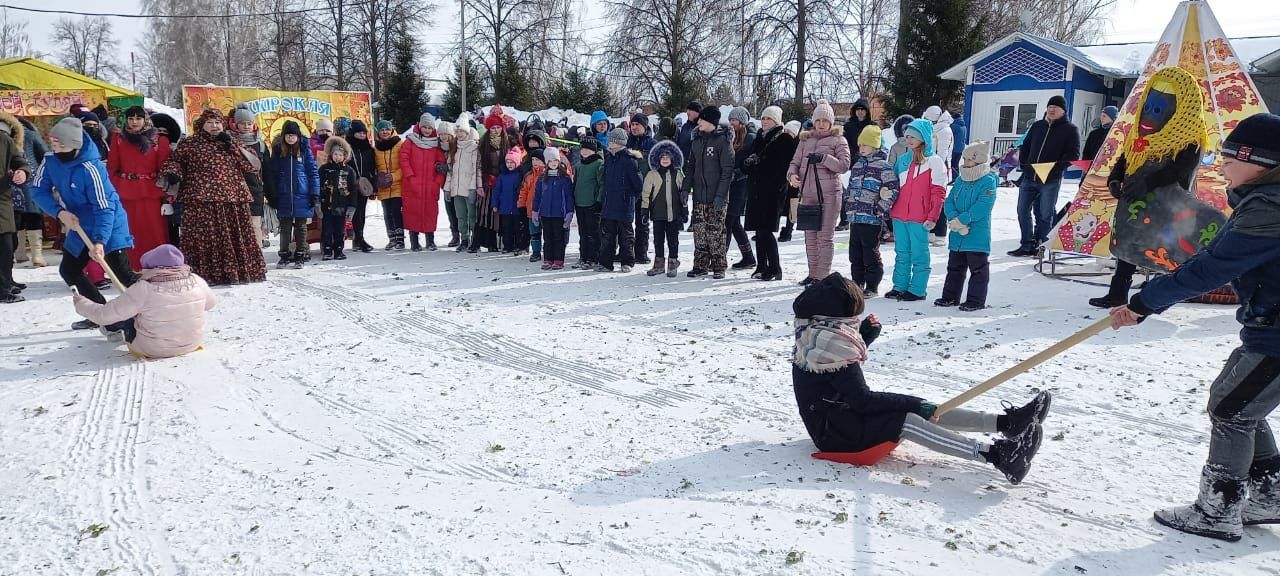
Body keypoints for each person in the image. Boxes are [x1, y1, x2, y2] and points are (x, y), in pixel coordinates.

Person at [1108, 112, 1280, 542]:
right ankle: (1269, 495)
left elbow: (1211, 268)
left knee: (1232, 410)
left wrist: (1145, 302)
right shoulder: (1265, 201)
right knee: (1234, 400)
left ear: (1258, 160)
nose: (1221, 167)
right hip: (1267, 325)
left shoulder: (1269, 209)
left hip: (1277, 332)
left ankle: (1217, 510)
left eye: (1229, 159)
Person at [792, 273, 1050, 484]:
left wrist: (865, 339)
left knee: (921, 409)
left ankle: (1008, 423)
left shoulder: (817, 333)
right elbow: (862, 400)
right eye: (852, 316)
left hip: (841, 416)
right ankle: (997, 456)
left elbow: (838, 380)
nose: (855, 322)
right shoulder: (831, 344)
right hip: (835, 433)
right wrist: (915, 405)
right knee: (909, 419)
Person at [31, 117, 135, 323]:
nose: (53, 147)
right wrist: (59, 212)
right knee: (69, 270)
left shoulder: (91, 167)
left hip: (109, 224)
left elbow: (105, 207)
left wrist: (99, 242)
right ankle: (102, 315)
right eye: (52, 142)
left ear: (73, 145)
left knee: (122, 275)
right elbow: (37, 190)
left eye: (58, 143)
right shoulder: (50, 159)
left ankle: (151, 312)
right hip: (77, 223)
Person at [159, 109, 265, 284]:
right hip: (200, 199)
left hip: (231, 198)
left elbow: (252, 166)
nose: (214, 126)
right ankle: (206, 275)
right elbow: (174, 161)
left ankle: (236, 273)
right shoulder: (190, 143)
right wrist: (173, 173)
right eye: (210, 122)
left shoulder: (233, 142)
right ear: (202, 125)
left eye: (217, 122)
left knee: (232, 236)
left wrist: (232, 145)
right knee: (205, 238)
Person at [72, 244, 217, 358]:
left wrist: (81, 303)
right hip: (192, 343)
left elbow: (103, 315)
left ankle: (115, 330)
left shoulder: (143, 289)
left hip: (153, 349)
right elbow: (211, 303)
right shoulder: (197, 281)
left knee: (126, 313)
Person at [787, 99, 851, 286]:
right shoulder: (805, 140)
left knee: (824, 237)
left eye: (825, 121)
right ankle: (812, 273)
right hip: (808, 194)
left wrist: (824, 158)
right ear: (813, 122)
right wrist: (791, 175)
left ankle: (822, 276)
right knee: (810, 238)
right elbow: (795, 163)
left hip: (830, 194)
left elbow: (844, 165)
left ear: (831, 123)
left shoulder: (839, 139)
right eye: (818, 120)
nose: (821, 124)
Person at [1010, 95, 1080, 257]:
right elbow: (1025, 146)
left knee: (1045, 214)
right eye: (1050, 107)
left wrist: (1055, 170)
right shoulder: (1037, 126)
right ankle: (1027, 245)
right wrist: (1024, 164)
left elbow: (1073, 155)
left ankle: (1042, 245)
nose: (1052, 109)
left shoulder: (1070, 130)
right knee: (1022, 211)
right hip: (1029, 177)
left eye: (1056, 107)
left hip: (1051, 179)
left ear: (1063, 111)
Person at [886, 118, 947, 301]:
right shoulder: (904, 160)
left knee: (919, 253)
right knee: (902, 252)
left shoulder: (934, 162)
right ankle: (900, 286)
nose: (909, 140)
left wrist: (933, 216)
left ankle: (918, 289)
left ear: (924, 137)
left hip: (920, 217)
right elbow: (893, 184)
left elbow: (938, 192)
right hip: (899, 215)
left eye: (913, 136)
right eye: (907, 136)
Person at [936, 141, 998, 311]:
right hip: (957, 232)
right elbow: (949, 201)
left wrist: (964, 219)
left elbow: (984, 205)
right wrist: (953, 218)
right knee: (954, 267)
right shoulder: (961, 180)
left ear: (978, 160)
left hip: (976, 234)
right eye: (964, 159)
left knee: (978, 269)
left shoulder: (988, 181)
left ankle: (976, 300)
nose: (964, 163)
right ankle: (950, 296)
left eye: (968, 159)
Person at [108, 106, 172, 270]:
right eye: (130, 118)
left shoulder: (159, 140)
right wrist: (114, 190)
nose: (134, 122)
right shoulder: (119, 138)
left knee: (154, 231)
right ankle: (131, 268)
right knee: (128, 231)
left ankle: (158, 266)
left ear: (145, 120)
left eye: (138, 118)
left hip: (151, 192)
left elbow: (164, 170)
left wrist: (167, 198)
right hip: (125, 192)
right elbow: (112, 167)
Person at [744, 106, 796, 282]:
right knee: (759, 230)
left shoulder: (784, 139)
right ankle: (761, 265)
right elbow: (748, 161)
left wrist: (762, 166)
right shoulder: (759, 137)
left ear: (776, 121)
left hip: (773, 191)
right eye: (763, 118)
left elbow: (785, 167)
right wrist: (749, 163)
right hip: (756, 189)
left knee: (766, 230)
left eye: (769, 118)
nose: (765, 121)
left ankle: (775, 267)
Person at [844, 125, 896, 298]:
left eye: (865, 145)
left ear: (875, 145)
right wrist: (848, 203)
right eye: (860, 145)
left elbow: (892, 189)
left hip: (872, 218)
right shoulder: (857, 166)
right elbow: (851, 187)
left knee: (870, 253)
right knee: (855, 253)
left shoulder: (884, 167)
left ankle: (872, 285)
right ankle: (857, 282)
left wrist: (880, 208)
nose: (862, 148)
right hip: (856, 217)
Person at [685, 105, 735, 279]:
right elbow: (690, 167)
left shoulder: (722, 141)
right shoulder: (696, 141)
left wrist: (721, 195)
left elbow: (727, 171)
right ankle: (700, 265)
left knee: (715, 232)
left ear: (710, 121)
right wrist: (685, 189)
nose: (698, 122)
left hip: (717, 196)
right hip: (699, 195)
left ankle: (719, 266)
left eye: (702, 120)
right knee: (699, 231)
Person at [266, 120, 320, 269]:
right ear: (283, 136)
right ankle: (284, 254)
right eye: (288, 135)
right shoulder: (278, 152)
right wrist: (272, 195)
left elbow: (313, 173)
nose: (290, 138)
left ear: (298, 136)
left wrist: (314, 193)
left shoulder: (304, 150)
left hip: (302, 195)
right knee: (285, 227)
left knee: (301, 227)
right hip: (283, 196)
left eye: (293, 135)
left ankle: (300, 254)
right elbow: (272, 174)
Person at [400, 113, 447, 251]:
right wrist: (410, 176)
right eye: (424, 127)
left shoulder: (436, 144)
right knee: (412, 212)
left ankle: (430, 240)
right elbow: (404, 159)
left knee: (430, 213)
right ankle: (414, 240)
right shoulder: (410, 141)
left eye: (429, 127)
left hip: (430, 185)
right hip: (413, 183)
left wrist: (437, 182)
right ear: (419, 126)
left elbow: (441, 163)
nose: (427, 130)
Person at [598, 128, 642, 273]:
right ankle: (606, 263)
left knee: (626, 236)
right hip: (609, 204)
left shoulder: (629, 161)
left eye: (612, 140)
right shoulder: (609, 159)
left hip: (624, 206)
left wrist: (629, 200)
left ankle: (627, 261)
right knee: (608, 235)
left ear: (619, 143)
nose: (609, 142)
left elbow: (638, 185)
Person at [230, 106, 273, 250]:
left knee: (255, 225)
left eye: (249, 123)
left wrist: (270, 192)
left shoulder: (260, 145)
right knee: (236, 226)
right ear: (235, 124)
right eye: (242, 123)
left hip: (255, 190)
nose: (246, 126)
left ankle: (257, 258)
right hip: (234, 190)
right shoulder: (228, 142)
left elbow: (267, 170)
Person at [641, 140, 686, 277]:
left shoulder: (678, 174)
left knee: (673, 239)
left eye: (668, 157)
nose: (665, 160)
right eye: (662, 157)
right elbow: (646, 194)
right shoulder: (652, 175)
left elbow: (682, 193)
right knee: (658, 240)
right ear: (657, 159)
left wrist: (685, 211)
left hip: (674, 214)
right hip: (658, 214)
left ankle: (673, 262)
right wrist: (645, 210)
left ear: (673, 159)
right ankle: (659, 264)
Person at [0, 111, 31, 303]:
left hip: (2, 201)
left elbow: (20, 161)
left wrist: (22, 172)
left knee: (6, 245)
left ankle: (5, 285)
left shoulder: (3, 140)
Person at [10, 115, 46, 270]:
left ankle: (19, 253)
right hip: (31, 178)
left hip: (8, 180)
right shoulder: (30, 134)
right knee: (33, 214)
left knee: (15, 215)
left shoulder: (4, 136)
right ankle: (37, 256)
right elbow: (44, 152)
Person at [532, 148, 574, 271]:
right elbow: (537, 196)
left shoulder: (564, 178)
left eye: (555, 160)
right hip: (545, 213)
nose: (553, 163)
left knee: (558, 237)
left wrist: (569, 212)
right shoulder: (542, 179)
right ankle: (548, 259)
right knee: (548, 237)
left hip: (559, 213)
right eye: (550, 161)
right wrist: (535, 211)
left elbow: (568, 197)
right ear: (547, 163)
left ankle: (558, 259)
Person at [447, 115, 483, 253]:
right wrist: (447, 189)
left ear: (467, 132)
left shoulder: (474, 148)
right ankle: (464, 239)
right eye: (457, 132)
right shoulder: (454, 148)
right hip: (456, 189)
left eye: (462, 131)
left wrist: (475, 188)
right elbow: (450, 171)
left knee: (472, 216)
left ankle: (474, 240)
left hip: (469, 188)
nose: (459, 134)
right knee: (460, 216)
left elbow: (477, 170)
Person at [318, 136, 358, 260]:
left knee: (340, 230)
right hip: (327, 205)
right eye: (335, 154)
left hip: (342, 205)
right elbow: (318, 186)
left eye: (340, 155)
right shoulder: (324, 169)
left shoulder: (349, 171)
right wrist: (317, 201)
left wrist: (352, 205)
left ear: (344, 156)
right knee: (327, 229)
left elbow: (353, 189)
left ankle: (339, 249)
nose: (337, 157)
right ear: (331, 154)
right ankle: (328, 249)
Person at [726, 106, 756, 271]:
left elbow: (749, 162)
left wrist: (738, 172)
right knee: (735, 222)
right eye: (730, 120)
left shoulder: (749, 138)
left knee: (729, 220)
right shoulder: (732, 137)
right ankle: (749, 257)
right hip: (731, 183)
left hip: (742, 184)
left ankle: (720, 256)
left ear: (742, 122)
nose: (732, 123)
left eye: (735, 120)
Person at [922, 106, 956, 246]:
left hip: (940, 170)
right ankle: (931, 232)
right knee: (929, 200)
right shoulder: (934, 129)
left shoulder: (945, 131)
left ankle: (940, 233)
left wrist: (936, 167)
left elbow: (943, 153)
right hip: (930, 169)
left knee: (939, 200)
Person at [626, 113, 657, 265]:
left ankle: (641, 253)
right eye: (632, 124)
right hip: (628, 189)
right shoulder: (626, 142)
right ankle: (626, 251)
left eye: (637, 124)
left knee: (642, 222)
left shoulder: (651, 144)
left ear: (644, 126)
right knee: (625, 222)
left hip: (645, 189)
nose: (634, 127)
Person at [373, 120, 406, 250]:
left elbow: (404, 164)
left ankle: (400, 239)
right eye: (382, 130)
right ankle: (391, 238)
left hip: (397, 183)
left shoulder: (400, 144)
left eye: (387, 129)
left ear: (391, 130)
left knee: (397, 211)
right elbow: (374, 166)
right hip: (383, 185)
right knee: (387, 213)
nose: (385, 132)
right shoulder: (376, 147)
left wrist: (394, 176)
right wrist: (378, 178)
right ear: (378, 132)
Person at [573, 138, 605, 269]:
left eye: (588, 149)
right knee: (583, 232)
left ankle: (593, 257)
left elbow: (601, 184)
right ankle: (583, 256)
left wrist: (598, 200)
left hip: (592, 204)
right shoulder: (578, 165)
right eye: (583, 149)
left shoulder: (599, 164)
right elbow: (575, 183)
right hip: (580, 203)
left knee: (593, 232)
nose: (585, 152)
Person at [345, 120, 376, 252]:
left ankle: (359, 239)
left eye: (364, 133)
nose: (362, 135)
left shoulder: (368, 149)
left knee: (361, 213)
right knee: (352, 213)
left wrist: (373, 185)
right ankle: (354, 238)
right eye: (359, 133)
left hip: (364, 185)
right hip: (350, 185)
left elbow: (372, 167)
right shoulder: (347, 147)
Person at [492, 148, 524, 254]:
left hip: (516, 207)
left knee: (517, 228)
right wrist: (495, 204)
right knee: (506, 228)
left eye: (512, 162)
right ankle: (507, 245)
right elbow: (497, 191)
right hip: (505, 207)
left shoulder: (519, 175)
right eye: (507, 162)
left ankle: (518, 245)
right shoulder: (502, 176)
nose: (509, 165)